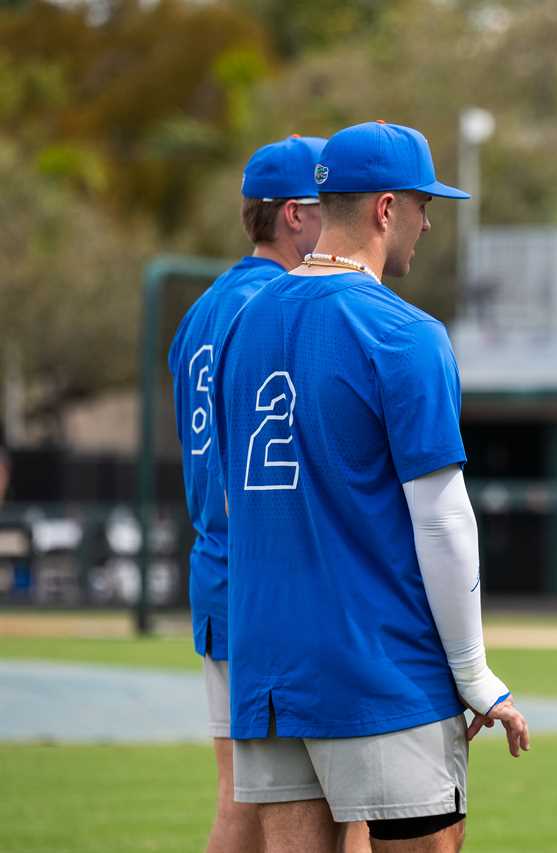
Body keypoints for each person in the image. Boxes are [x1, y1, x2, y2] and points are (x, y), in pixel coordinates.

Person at [210, 121, 528, 853]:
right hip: (380, 666)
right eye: (422, 204)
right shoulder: (403, 331)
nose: (428, 222)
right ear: (386, 208)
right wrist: (475, 672)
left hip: (267, 671)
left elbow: (235, 499)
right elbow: (443, 520)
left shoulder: (241, 321)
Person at [169, 133, 326, 853]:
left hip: (216, 566)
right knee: (330, 801)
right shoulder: (288, 304)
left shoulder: (202, 308)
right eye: (333, 203)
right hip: (274, 577)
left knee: (241, 794)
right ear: (294, 214)